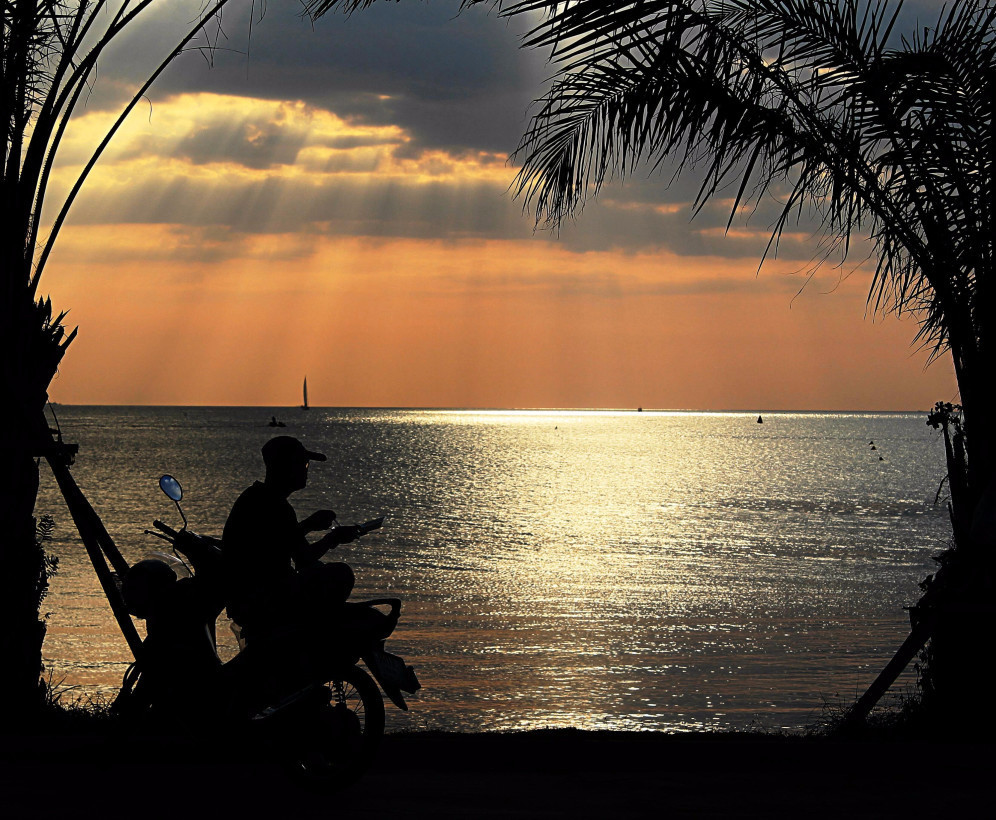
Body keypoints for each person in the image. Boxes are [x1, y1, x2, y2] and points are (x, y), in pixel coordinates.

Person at [222, 435, 360, 647]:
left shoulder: (256, 497)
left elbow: (278, 541)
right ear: (286, 468)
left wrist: (308, 525)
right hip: (262, 599)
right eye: (304, 464)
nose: (307, 470)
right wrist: (333, 538)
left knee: (318, 570)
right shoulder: (274, 506)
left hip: (248, 597)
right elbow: (303, 558)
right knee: (340, 574)